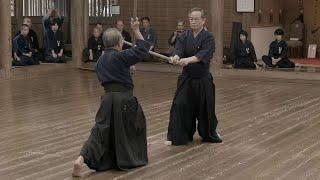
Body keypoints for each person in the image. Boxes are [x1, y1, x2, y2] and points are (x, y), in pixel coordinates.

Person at [72, 18, 151, 177]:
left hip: (107, 99)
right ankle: (129, 157)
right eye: (122, 40)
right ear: (119, 43)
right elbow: (143, 49)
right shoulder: (121, 56)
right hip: (124, 99)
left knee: (100, 131)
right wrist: (136, 31)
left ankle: (81, 158)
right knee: (136, 124)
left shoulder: (100, 61)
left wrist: (126, 67)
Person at [166, 8, 222, 146]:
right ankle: (178, 135)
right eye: (191, 19)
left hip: (202, 79)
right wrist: (176, 57)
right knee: (179, 105)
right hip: (187, 78)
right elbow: (179, 48)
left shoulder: (208, 37)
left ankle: (209, 133)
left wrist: (187, 60)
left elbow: (203, 54)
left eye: (196, 19)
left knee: (205, 109)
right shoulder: (184, 35)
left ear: (203, 20)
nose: (193, 21)